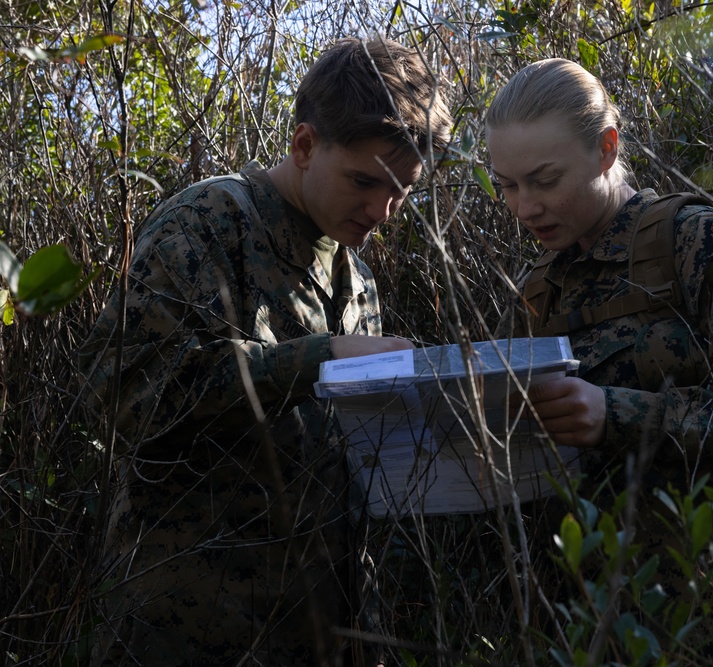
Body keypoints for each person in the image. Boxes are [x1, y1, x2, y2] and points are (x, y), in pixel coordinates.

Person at [80, 36, 452, 666]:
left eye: (402, 191)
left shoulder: (353, 275)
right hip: (191, 630)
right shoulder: (205, 222)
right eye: (365, 181)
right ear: (304, 145)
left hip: (318, 624)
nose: (383, 211)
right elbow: (119, 394)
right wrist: (320, 358)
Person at [484, 58, 713, 636]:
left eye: (544, 180)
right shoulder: (540, 284)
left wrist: (617, 414)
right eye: (506, 185)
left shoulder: (692, 239)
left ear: (607, 149)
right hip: (592, 614)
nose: (524, 207)